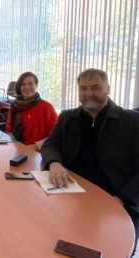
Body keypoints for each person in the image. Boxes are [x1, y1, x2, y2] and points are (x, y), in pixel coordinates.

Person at [41, 68, 139, 255]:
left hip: (118, 200)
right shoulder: (68, 117)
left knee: (110, 250)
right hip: (73, 195)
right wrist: (55, 163)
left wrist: (120, 199)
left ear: (108, 89)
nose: (89, 94)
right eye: (83, 88)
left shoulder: (132, 121)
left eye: (95, 88)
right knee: (53, 240)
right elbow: (50, 144)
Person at [5, 72, 58, 146]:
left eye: (30, 84)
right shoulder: (14, 105)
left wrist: (36, 146)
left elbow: (56, 135)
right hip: (17, 148)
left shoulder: (47, 107)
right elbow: (8, 128)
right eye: (23, 84)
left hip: (38, 151)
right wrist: (15, 144)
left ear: (36, 85)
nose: (27, 87)